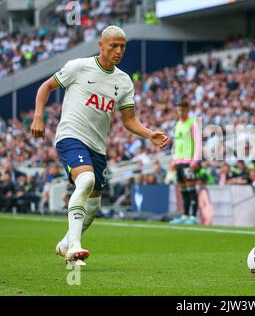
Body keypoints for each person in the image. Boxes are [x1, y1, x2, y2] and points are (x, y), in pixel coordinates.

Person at [31, 25, 169, 266]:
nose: (118, 51)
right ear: (101, 45)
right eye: (113, 45)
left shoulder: (124, 81)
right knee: (86, 181)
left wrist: (149, 134)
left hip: (97, 147)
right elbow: (46, 87)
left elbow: (129, 120)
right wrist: (38, 116)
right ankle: (74, 248)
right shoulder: (79, 66)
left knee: (94, 205)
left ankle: (65, 243)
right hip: (70, 137)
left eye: (122, 47)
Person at [169, 100, 202, 225]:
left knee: (191, 188)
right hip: (179, 161)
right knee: (183, 189)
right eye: (179, 109)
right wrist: (174, 160)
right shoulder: (177, 124)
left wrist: (195, 160)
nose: (180, 112)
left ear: (188, 109)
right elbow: (177, 143)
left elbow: (198, 143)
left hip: (189, 161)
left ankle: (193, 217)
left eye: (183, 109)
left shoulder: (193, 123)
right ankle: (185, 215)